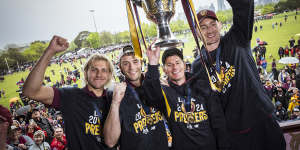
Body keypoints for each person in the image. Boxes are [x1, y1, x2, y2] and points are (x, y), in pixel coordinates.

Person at [192, 0, 286, 149]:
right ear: (196, 32)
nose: (209, 30)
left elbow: (244, 4)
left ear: (220, 25)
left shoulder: (237, 38)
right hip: (235, 132)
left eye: (212, 24)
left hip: (262, 120)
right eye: (203, 27)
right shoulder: (197, 66)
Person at [22, 35, 115, 150]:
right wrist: (49, 51)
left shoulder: (114, 98)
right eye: (94, 69)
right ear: (85, 73)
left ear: (110, 74)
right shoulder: (71, 95)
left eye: (104, 70)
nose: (99, 74)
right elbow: (30, 91)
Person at [144, 47, 229, 150]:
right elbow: (150, 95)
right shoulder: (165, 93)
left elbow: (218, 121)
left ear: (184, 65)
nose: (175, 68)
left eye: (177, 63)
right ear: (164, 70)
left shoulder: (202, 85)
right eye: (169, 65)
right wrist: (153, 64)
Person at [104, 45, 169, 150]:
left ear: (141, 63)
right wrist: (115, 103)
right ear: (120, 68)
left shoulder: (157, 84)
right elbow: (110, 142)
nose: (132, 67)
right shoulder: (115, 94)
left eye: (135, 61)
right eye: (126, 63)